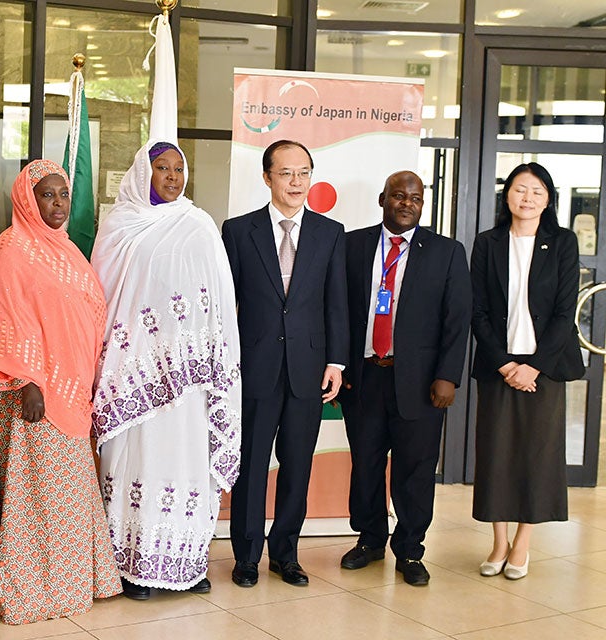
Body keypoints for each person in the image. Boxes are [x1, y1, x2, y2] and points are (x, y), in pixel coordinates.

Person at [91, 141, 241, 599]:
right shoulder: (119, 226)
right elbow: (105, 295)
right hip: (135, 372)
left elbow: (220, 300)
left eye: (179, 168)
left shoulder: (199, 225)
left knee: (188, 464)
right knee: (139, 460)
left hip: (192, 380)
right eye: (162, 168)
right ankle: (132, 566)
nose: (173, 177)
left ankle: (189, 564)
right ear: (143, 172)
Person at [0, 159, 121, 624]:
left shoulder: (65, 248)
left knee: (71, 493)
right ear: (26, 198)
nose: (58, 204)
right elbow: (8, 318)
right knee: (37, 497)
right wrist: (29, 383)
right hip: (34, 393)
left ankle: (78, 581)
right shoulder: (11, 249)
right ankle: (35, 590)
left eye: (63, 195)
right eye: (47, 195)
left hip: (73, 388)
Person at [221, 139, 349, 588]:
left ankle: (286, 555)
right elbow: (225, 304)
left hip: (308, 369)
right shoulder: (238, 231)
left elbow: (337, 304)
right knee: (251, 465)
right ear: (267, 177)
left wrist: (336, 361)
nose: (296, 182)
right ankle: (246, 556)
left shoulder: (331, 233)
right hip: (255, 367)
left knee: (298, 465)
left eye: (303, 172)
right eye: (286, 173)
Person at [338, 171, 471, 586]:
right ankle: (370, 539)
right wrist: (338, 366)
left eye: (415, 197)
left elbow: (457, 319)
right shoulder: (352, 245)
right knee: (366, 464)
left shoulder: (447, 252)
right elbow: (337, 310)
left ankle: (410, 550)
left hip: (421, 382)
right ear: (383, 199)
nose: (407, 203)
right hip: (364, 377)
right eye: (399, 196)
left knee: (415, 469)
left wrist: (448, 376)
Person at [471, 162, 584, 580]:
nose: (528, 198)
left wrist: (533, 367)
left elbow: (562, 312)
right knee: (497, 453)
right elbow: (477, 310)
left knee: (536, 454)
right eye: (521, 190)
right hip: (498, 365)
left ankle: (522, 543)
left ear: (548, 199)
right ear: (508, 196)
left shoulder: (563, 242)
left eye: (537, 191)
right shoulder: (488, 243)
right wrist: (504, 362)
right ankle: (498, 541)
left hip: (545, 368)